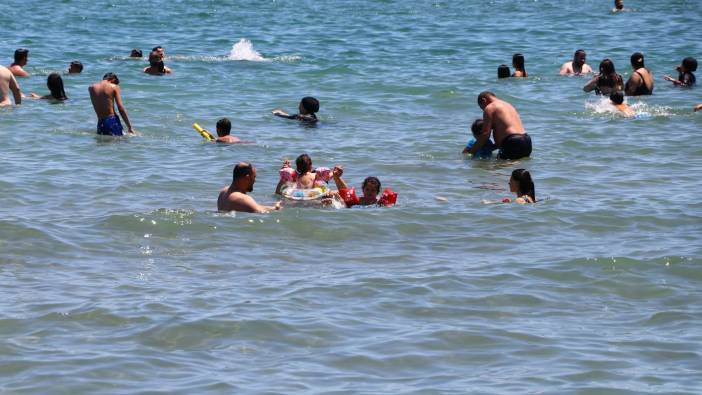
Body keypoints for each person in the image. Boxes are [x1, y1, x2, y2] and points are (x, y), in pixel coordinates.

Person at [467, 91, 531, 160]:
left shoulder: (490, 107)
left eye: (482, 108)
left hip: (512, 142)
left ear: (483, 100)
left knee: (499, 170)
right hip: (526, 140)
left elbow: (485, 134)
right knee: (518, 168)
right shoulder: (508, 105)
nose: (483, 110)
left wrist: (471, 152)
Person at [218, 162, 282, 213]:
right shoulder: (242, 198)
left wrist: (274, 207)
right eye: (254, 177)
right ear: (247, 178)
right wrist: (276, 209)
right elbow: (261, 212)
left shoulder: (223, 192)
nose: (255, 180)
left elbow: (251, 206)